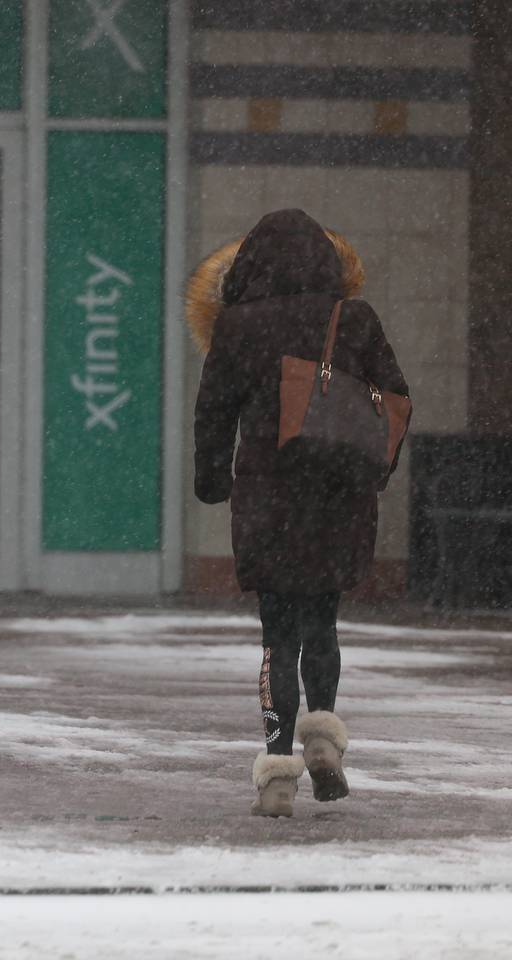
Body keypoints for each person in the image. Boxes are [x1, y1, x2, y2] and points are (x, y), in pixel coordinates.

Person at [189, 208, 409, 817]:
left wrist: (211, 481)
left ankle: (277, 772)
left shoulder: (236, 326)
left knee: (277, 639)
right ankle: (323, 744)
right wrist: (374, 472)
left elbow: (213, 413)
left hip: (268, 496)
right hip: (337, 496)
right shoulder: (355, 318)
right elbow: (394, 398)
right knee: (323, 624)